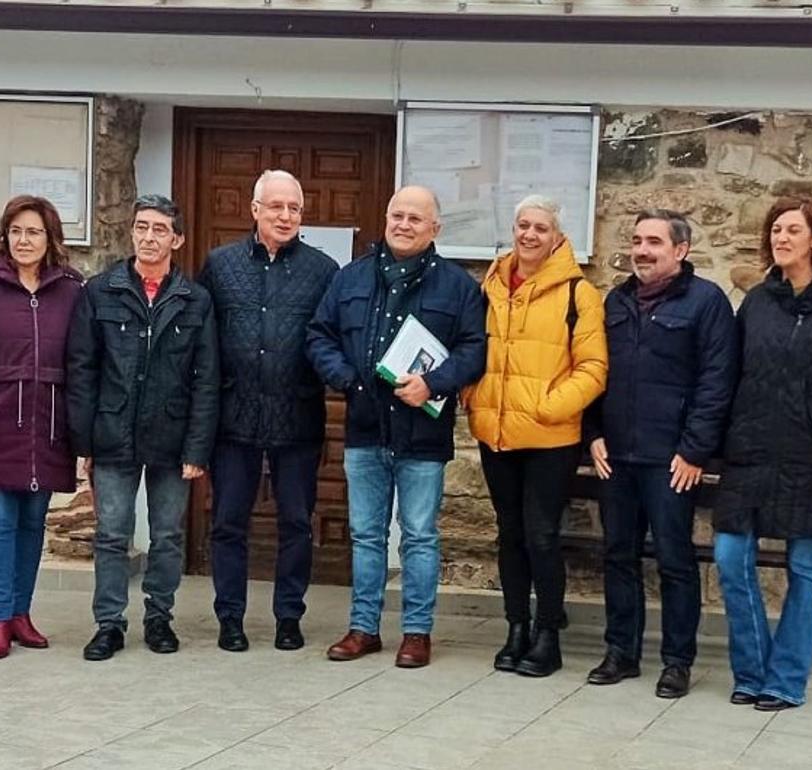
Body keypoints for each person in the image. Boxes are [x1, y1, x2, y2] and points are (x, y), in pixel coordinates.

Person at [307, 186, 486, 669]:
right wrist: (345, 377)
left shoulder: (459, 286)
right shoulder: (351, 278)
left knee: (420, 535)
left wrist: (433, 383)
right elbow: (319, 335)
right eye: (397, 215)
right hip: (365, 428)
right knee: (366, 534)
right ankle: (364, 628)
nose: (404, 224)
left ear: (435, 229)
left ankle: (416, 633)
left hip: (423, 434)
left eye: (415, 218)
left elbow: (474, 350)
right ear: (385, 219)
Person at [713, 195, 812, 710]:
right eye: (775, 231)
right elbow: (732, 374)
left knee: (805, 567)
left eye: (792, 230)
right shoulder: (759, 300)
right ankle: (752, 671)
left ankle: (784, 681)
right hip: (751, 452)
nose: (780, 238)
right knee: (730, 557)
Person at [582, 209, 737, 697]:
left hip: (672, 461)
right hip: (617, 456)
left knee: (674, 561)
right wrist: (592, 433)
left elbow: (717, 381)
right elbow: (593, 370)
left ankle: (676, 661)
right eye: (637, 240)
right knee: (618, 556)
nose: (642, 250)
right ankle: (621, 653)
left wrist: (694, 450)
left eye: (654, 241)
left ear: (681, 250)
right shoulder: (617, 301)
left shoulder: (707, 302)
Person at [66, 194, 219, 661]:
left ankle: (159, 617)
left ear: (177, 239)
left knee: (168, 534)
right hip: (113, 435)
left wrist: (197, 448)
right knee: (112, 533)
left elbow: (207, 379)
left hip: (172, 438)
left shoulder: (195, 301)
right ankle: (109, 623)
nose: (149, 237)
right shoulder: (100, 291)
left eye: (159, 229)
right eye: (142, 227)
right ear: (132, 232)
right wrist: (83, 440)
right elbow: (82, 369)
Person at [464, 195, 607, 677]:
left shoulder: (577, 293)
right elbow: (469, 347)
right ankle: (516, 627)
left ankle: (548, 634)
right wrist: (471, 394)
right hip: (496, 432)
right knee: (509, 535)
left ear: (557, 236)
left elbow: (593, 368)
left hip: (549, 438)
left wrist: (547, 407)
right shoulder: (490, 285)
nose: (529, 235)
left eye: (540, 228)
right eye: (523, 225)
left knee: (541, 535)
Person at [199, 169, 338, 653]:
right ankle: (230, 618)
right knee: (228, 521)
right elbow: (204, 341)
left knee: (297, 522)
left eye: (294, 208)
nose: (285, 216)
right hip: (234, 418)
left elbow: (333, 338)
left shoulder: (324, 270)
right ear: (255, 210)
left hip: (297, 418)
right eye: (275, 206)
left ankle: (288, 617)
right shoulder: (220, 265)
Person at [0, 195, 84, 659]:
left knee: (33, 523)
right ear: (5, 236)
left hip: (48, 424)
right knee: (0, 521)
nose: (24, 241)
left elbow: (82, 357)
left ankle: (22, 614)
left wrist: (75, 417)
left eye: (34, 232)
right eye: (17, 232)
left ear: (50, 239)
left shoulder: (71, 288)